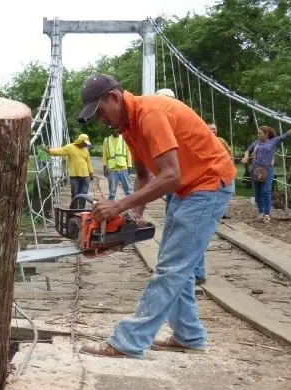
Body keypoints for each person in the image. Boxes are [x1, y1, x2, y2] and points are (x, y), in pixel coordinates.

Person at [75, 74, 236, 359]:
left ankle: (128, 342)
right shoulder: (128, 125)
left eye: (100, 111)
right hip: (189, 188)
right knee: (174, 263)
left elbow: (170, 176)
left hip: (208, 184)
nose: (100, 120)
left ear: (114, 97)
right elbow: (142, 174)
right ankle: (189, 335)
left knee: (171, 267)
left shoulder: (150, 114)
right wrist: (135, 214)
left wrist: (119, 206)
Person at [241, 124, 291, 224]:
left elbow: (286, 135)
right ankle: (261, 212)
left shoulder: (273, 142)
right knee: (257, 193)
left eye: (260, 133)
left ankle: (267, 213)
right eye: (257, 133)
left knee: (266, 191)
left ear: (266, 134)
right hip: (255, 170)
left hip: (267, 170)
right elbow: (248, 150)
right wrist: (246, 156)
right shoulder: (256, 143)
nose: (258, 135)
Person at [45, 133, 94, 209]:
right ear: (80, 141)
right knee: (74, 195)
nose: (85, 145)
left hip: (85, 176)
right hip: (75, 176)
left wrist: (91, 173)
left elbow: (88, 162)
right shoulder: (70, 147)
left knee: (84, 195)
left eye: (86, 144)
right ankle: (73, 211)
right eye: (84, 143)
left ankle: (81, 211)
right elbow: (60, 151)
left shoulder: (86, 150)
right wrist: (49, 151)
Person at [101, 128, 134, 201]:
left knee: (129, 190)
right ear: (111, 130)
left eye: (116, 129)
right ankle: (111, 206)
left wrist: (129, 165)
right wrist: (104, 167)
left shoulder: (124, 139)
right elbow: (104, 155)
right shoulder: (107, 140)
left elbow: (128, 152)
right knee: (112, 192)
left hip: (123, 167)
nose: (115, 130)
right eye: (113, 129)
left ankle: (132, 207)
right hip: (112, 169)